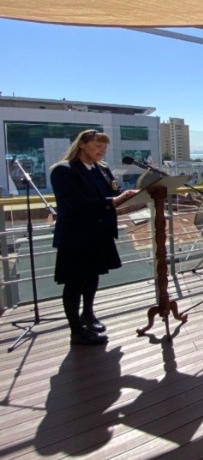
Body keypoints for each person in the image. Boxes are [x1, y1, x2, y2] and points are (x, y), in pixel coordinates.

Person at [50, 129, 138, 346]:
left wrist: (125, 196)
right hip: (76, 235)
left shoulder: (102, 169)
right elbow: (74, 204)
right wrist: (112, 201)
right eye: (98, 146)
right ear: (82, 144)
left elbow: (112, 192)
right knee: (74, 283)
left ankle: (87, 315)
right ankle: (76, 331)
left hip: (98, 233)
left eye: (105, 147)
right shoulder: (64, 171)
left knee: (92, 276)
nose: (102, 150)